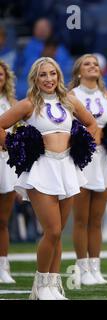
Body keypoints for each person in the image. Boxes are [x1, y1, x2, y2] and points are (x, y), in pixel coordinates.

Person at [0, 57, 97, 299]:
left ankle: (53, 286)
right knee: (52, 230)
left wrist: (81, 145)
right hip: (41, 169)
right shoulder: (29, 104)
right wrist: (13, 147)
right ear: (35, 78)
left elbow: (91, 123)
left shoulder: (70, 101)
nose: (48, 79)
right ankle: (40, 286)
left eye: (52, 74)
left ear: (59, 76)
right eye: (43, 75)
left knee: (58, 232)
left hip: (67, 168)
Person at [68, 54, 107, 286]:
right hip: (82, 159)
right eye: (87, 64)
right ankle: (82, 269)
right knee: (81, 219)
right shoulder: (71, 96)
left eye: (95, 64)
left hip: (103, 159)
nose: (93, 66)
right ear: (79, 72)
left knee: (97, 219)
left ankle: (95, 268)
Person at [0, 60, 18, 284]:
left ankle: (3, 266)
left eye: (1, 74)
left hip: (6, 163)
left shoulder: (14, 103)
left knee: (3, 221)